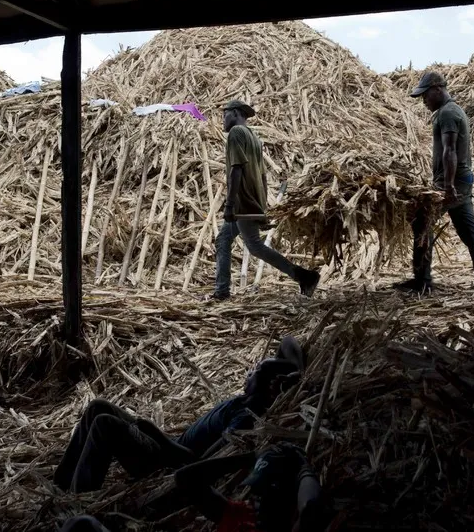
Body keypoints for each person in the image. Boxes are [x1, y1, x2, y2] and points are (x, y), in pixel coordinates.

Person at [54, 337, 306, 493]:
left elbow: (199, 463)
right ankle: (61, 486)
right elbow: (288, 342)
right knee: (98, 405)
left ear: (262, 383)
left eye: (253, 372)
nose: (247, 373)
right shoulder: (246, 399)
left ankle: (80, 499)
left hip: (163, 461)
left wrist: (158, 436)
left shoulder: (245, 417)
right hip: (165, 445)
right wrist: (298, 372)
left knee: (104, 424)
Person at [397, 71, 474, 293]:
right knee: (468, 229)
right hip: (461, 181)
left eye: (425, 95)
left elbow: (450, 151)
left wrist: (448, 186)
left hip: (453, 182)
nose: (424, 101)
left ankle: (422, 281)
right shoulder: (451, 111)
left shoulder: (448, 113)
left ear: (437, 89)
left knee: (422, 221)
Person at [211, 100, 320, 301]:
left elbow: (236, 170)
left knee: (254, 246)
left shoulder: (236, 134)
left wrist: (230, 204)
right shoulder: (253, 137)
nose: (222, 120)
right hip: (253, 201)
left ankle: (304, 276)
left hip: (242, 202)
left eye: (224, 114)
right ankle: (221, 291)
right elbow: (262, 175)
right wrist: (262, 206)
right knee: (224, 238)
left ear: (235, 113)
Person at [174, 442, 335, 532]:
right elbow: (185, 478)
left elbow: (311, 508)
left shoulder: (293, 525)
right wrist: (253, 457)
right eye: (258, 491)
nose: (256, 499)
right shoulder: (245, 516)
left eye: (268, 492)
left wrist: (302, 468)